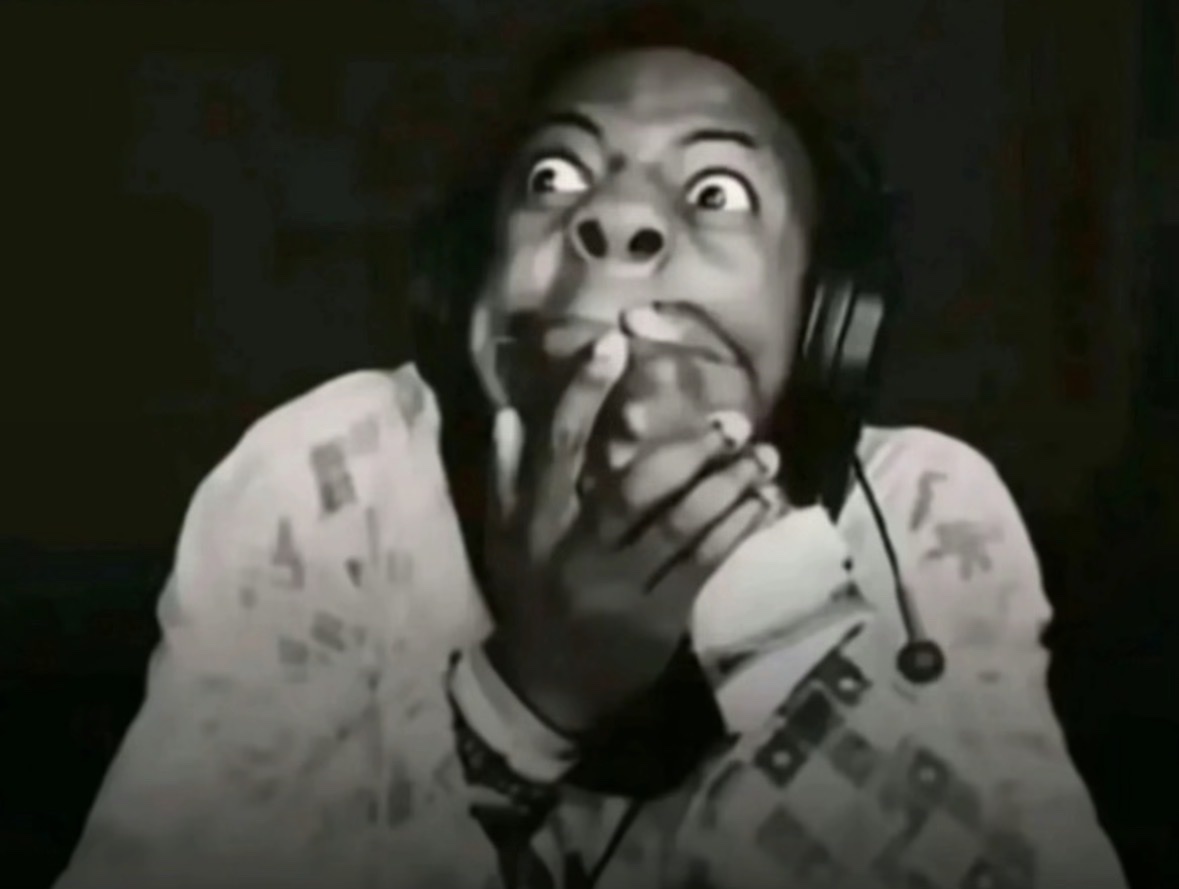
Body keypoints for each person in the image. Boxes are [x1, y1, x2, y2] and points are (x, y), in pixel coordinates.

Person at [55, 3, 1127, 888]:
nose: (616, 220)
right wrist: (532, 697)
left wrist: (765, 595)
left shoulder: (929, 512)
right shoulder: (326, 478)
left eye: (715, 193)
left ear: (824, 318)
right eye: (554, 178)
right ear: (469, 289)